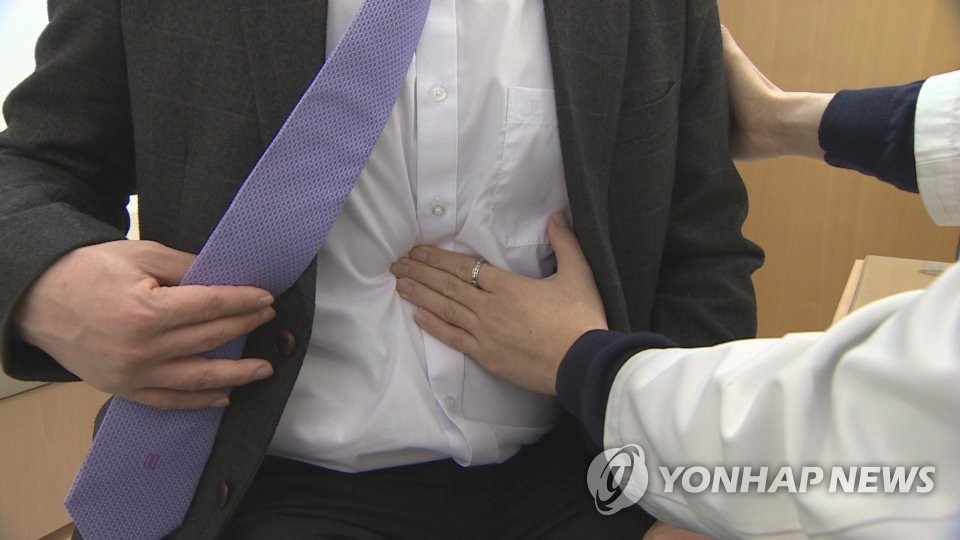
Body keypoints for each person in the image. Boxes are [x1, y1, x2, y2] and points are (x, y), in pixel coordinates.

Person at [0, 1, 763, 538]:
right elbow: (39, 165)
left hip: (587, 476)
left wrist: (694, 499)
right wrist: (49, 285)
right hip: (265, 482)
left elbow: (701, 249)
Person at [389, 27, 960, 538]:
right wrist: (784, 120)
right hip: (344, 481)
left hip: (589, 477)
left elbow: (849, 439)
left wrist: (581, 359)